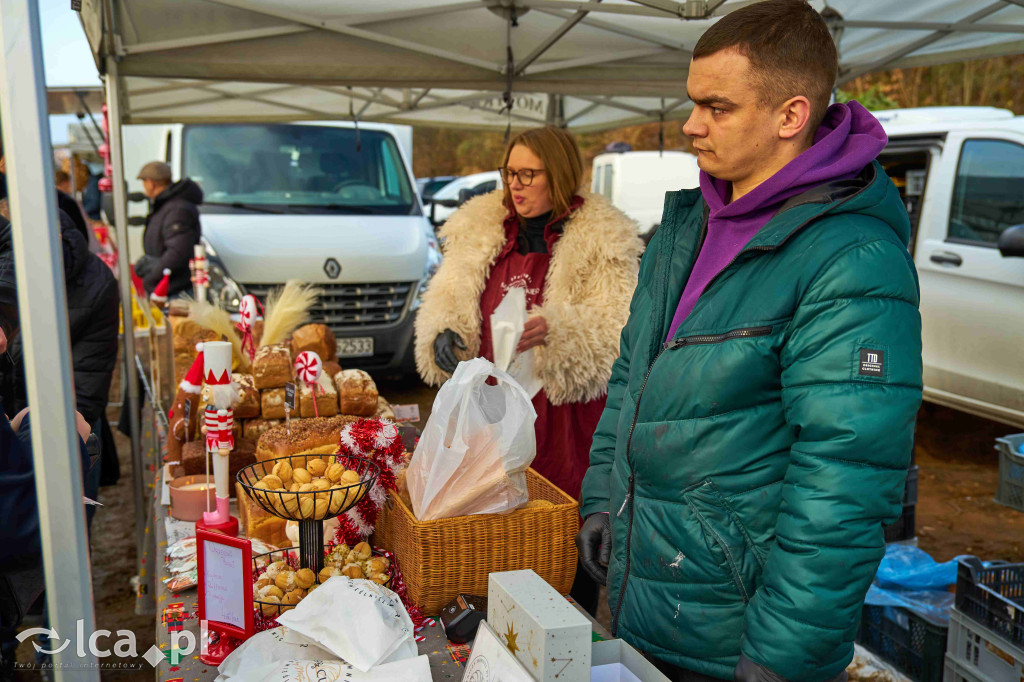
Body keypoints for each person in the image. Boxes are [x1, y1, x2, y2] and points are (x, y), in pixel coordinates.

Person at [576, 2, 923, 681]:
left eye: (717, 107)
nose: (692, 124)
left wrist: (782, 655)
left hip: (737, 627)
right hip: (653, 593)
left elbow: (843, 485)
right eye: (693, 102)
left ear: (790, 115)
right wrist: (601, 497)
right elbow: (630, 380)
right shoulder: (685, 226)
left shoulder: (851, 260)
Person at [414, 126, 642, 612]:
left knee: (559, 533)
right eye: (510, 173)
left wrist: (559, 327)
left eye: (528, 174)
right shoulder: (482, 230)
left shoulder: (602, 237)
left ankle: (568, 623)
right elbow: (450, 300)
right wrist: (444, 335)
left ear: (556, 175)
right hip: (493, 415)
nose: (516, 185)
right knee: (495, 530)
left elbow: (620, 328)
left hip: (564, 419)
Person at [133, 160, 203, 297]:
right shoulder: (168, 206)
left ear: (151, 183)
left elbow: (177, 253)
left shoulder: (177, 209)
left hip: (172, 290)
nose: (144, 187)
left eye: (144, 182)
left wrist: (152, 278)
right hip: (167, 287)